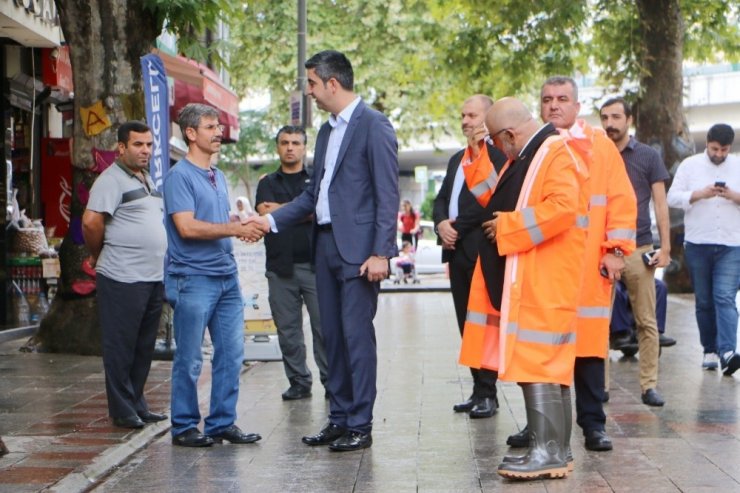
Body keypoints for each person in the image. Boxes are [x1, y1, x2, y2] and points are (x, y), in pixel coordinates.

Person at [249, 50, 399, 452]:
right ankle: (338, 418)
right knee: (331, 338)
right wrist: (266, 222)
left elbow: (388, 194)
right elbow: (312, 196)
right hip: (325, 245)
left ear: (333, 83)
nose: (309, 92)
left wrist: (382, 252)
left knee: (355, 338)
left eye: (312, 84)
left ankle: (360, 425)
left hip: (359, 253)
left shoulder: (374, 125)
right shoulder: (326, 132)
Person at [504, 77, 638, 456]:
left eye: (563, 99)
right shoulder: (534, 149)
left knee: (590, 348)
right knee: (542, 349)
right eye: (547, 99)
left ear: (578, 106)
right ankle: (539, 424)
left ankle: (593, 424)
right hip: (543, 268)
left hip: (587, 267)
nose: (554, 106)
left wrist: (616, 250)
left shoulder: (600, 146)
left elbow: (621, 201)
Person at [458, 97, 587, 479]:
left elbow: (563, 208)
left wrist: (507, 227)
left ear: (510, 135)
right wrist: (478, 147)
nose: (498, 151)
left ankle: (549, 453)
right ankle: (555, 450)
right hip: (532, 276)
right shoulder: (527, 157)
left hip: (544, 278)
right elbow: (491, 194)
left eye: (497, 143)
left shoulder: (554, 153)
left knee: (540, 364)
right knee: (543, 365)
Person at [163, 103, 263, 448]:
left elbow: (219, 224)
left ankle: (222, 422)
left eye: (218, 126)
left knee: (232, 354)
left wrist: (242, 227)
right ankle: (184, 426)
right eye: (209, 127)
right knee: (190, 358)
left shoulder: (217, 176)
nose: (218, 132)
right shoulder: (179, 177)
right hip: (192, 278)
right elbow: (187, 227)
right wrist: (232, 231)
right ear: (190, 133)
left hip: (225, 278)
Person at [81, 121, 169, 429]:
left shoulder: (146, 178)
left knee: (144, 346)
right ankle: (121, 410)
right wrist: (96, 254)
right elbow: (91, 222)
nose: (145, 150)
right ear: (121, 148)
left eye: (148, 145)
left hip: (151, 277)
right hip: (121, 276)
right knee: (121, 346)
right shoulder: (111, 180)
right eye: (138, 145)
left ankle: (137, 403)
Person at [432, 94, 506, 419]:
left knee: (484, 324)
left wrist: (455, 227)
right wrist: (439, 225)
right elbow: (441, 198)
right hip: (456, 252)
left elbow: (485, 202)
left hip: (480, 250)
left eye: (472, 115)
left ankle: (488, 393)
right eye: (462, 115)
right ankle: (477, 390)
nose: (465, 121)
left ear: (488, 119)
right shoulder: (456, 159)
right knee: (466, 323)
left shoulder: (499, 156)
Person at [600, 97, 670, 406]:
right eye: (604, 117)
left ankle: (649, 386)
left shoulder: (648, 156)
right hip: (601, 250)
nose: (610, 123)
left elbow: (660, 204)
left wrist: (665, 248)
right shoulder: (594, 153)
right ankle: (599, 387)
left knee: (646, 321)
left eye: (616, 117)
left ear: (629, 119)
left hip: (639, 246)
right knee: (598, 322)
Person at [255, 125, 328, 401]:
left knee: (324, 329)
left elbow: (316, 211)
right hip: (280, 267)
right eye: (284, 142)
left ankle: (332, 381)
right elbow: (264, 212)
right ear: (277, 147)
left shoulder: (316, 179)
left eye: (296, 142)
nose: (290, 147)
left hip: (315, 266)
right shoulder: (266, 183)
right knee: (288, 330)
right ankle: (299, 381)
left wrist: (281, 210)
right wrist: (300, 209)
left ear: (304, 147)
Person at [667, 123, 740, 375]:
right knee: (705, 300)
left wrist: (733, 195)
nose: (719, 154)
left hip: (732, 243)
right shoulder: (690, 165)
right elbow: (671, 198)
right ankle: (709, 349)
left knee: (724, 297)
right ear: (707, 143)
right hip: (698, 243)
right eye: (715, 149)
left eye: (724, 150)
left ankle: (728, 351)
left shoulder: (738, 165)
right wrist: (699, 194)